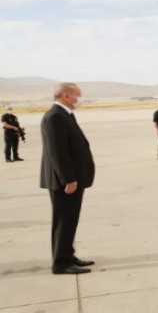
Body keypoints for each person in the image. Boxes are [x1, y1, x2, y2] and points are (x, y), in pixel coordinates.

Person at [40, 83, 96, 274]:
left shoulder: (64, 114)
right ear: (65, 96)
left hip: (72, 179)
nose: (78, 100)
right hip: (65, 181)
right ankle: (61, 263)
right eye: (76, 96)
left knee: (70, 220)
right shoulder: (55, 116)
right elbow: (58, 152)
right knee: (64, 220)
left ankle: (67, 254)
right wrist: (68, 179)